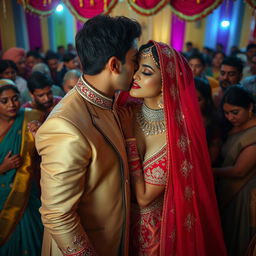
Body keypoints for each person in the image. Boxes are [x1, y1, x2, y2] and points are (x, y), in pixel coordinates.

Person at [35, 14, 141, 256]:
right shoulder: (66, 126)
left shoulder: (108, 103)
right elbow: (58, 215)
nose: (135, 69)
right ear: (114, 65)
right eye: (134, 60)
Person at [117, 41, 227, 256]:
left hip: (154, 236)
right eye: (136, 69)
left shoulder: (178, 135)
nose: (136, 76)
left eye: (146, 72)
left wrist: (130, 139)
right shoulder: (126, 112)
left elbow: (144, 197)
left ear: (166, 82)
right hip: (116, 223)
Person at [0, 79, 43, 255]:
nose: (12, 104)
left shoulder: (31, 118)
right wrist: (3, 167)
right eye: (4, 101)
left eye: (15, 98)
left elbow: (47, 155)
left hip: (26, 194)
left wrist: (40, 134)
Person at [214, 85, 256, 256]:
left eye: (235, 112)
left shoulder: (254, 133)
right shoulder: (231, 126)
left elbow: (240, 171)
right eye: (226, 113)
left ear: (250, 107)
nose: (230, 117)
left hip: (244, 193)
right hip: (229, 191)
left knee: (240, 241)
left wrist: (209, 171)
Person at [194, 77, 223, 166]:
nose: (193, 103)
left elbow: (212, 159)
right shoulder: (177, 118)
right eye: (189, 98)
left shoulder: (213, 123)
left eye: (198, 100)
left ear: (206, 100)